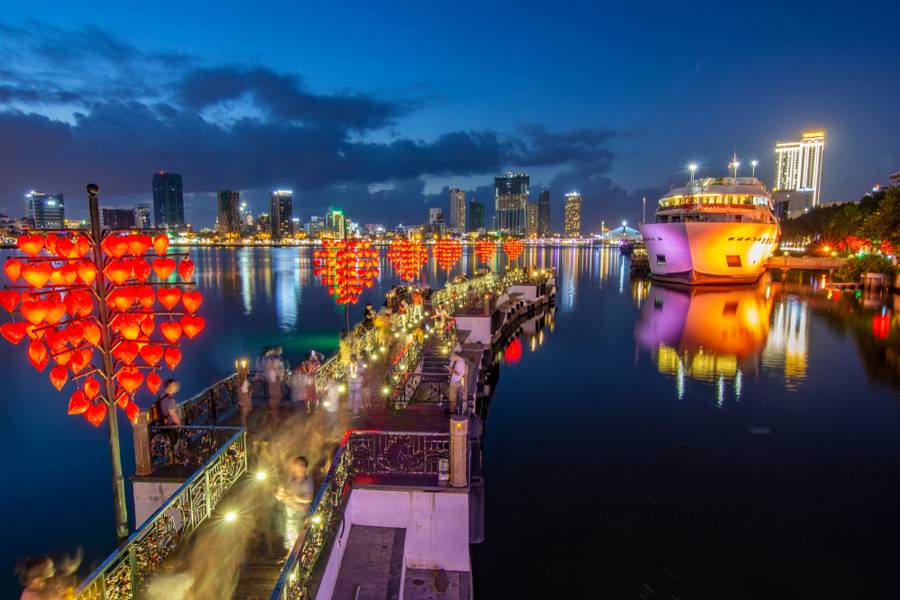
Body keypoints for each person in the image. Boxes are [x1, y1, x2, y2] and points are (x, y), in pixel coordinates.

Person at [275, 456, 315, 554]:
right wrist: (280, 493)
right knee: (291, 545)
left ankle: (295, 563)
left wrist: (291, 499)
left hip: (299, 520)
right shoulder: (291, 479)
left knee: (298, 546)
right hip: (290, 519)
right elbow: (285, 491)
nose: (294, 469)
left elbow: (307, 500)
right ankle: (290, 559)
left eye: (296, 467)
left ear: (303, 468)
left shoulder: (307, 482)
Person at [447, 345, 467, 415]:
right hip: (454, 381)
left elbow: (458, 374)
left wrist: (451, 369)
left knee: (453, 398)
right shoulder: (459, 361)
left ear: (456, 356)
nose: (452, 357)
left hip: (455, 382)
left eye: (453, 356)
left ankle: (451, 412)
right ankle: (451, 410)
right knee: (452, 397)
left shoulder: (460, 363)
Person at [347, 354, 364, 419]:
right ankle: (355, 413)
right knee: (356, 398)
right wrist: (360, 361)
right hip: (356, 384)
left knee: (351, 397)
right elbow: (363, 370)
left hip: (351, 384)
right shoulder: (357, 365)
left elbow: (347, 373)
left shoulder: (348, 365)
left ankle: (349, 409)